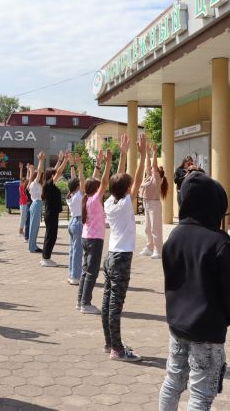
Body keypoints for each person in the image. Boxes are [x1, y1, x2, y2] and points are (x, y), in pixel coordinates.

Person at [158, 172, 230, 411]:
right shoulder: (220, 242)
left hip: (177, 326)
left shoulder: (174, 237)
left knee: (172, 382)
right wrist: (223, 319)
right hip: (207, 330)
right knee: (200, 395)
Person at [102, 134, 147, 362]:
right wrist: (143, 154)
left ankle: (110, 342)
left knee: (107, 301)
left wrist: (122, 155)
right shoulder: (125, 203)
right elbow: (135, 180)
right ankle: (117, 349)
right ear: (127, 189)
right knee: (115, 305)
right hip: (120, 258)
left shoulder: (110, 202)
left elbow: (117, 181)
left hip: (110, 256)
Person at [78, 149, 112, 314]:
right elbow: (104, 181)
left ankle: (80, 301)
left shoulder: (87, 197)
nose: (102, 188)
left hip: (86, 237)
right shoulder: (94, 199)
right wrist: (108, 163)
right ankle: (85, 303)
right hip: (94, 239)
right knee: (91, 272)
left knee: (85, 271)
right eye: (99, 187)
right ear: (96, 189)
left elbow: (93, 181)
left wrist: (98, 163)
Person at [140, 143, 169, 259]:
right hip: (146, 203)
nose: (151, 169)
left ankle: (158, 250)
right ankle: (149, 247)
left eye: (154, 169)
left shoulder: (157, 179)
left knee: (155, 229)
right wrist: (147, 153)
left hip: (154, 204)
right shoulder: (149, 177)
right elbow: (148, 165)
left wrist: (155, 152)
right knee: (147, 228)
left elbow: (153, 165)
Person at [40, 151, 68, 267]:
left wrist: (60, 160)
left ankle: (45, 257)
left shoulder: (48, 184)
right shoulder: (49, 185)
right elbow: (59, 171)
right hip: (51, 214)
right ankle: (46, 258)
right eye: (54, 175)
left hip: (50, 213)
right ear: (51, 176)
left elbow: (56, 171)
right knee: (51, 236)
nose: (56, 175)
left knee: (49, 235)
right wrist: (64, 160)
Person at [65, 153, 85, 284]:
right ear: (77, 187)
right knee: (78, 251)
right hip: (78, 222)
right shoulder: (78, 195)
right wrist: (79, 165)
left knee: (72, 250)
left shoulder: (71, 195)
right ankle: (75, 277)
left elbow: (74, 180)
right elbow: (81, 180)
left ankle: (72, 274)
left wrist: (72, 164)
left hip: (72, 222)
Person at [27, 152, 45, 254]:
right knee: (34, 226)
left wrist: (30, 171)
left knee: (34, 226)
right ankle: (32, 247)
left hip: (35, 204)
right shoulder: (35, 183)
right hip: (37, 203)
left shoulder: (31, 184)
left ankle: (32, 245)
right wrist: (41, 160)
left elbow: (36, 173)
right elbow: (39, 171)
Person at [18, 162, 29, 237]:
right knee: (22, 218)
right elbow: (21, 177)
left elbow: (28, 178)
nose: (23, 182)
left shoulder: (26, 187)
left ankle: (22, 231)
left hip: (25, 204)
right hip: (22, 204)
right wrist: (21, 169)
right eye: (22, 181)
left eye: (24, 181)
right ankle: (20, 232)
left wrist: (28, 170)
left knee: (24, 218)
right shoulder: (21, 187)